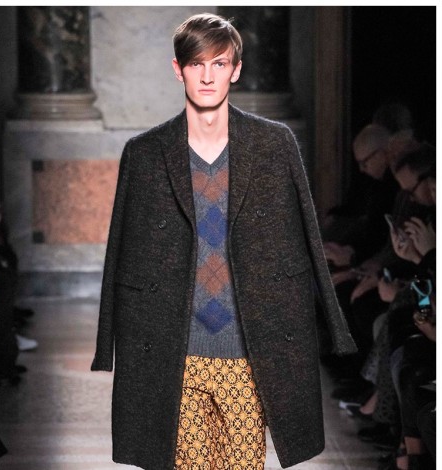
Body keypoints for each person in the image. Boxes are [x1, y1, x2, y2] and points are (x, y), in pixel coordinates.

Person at [91, 13, 356, 470]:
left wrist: (329, 327)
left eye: (219, 63)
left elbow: (305, 242)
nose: (208, 76)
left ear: (236, 69)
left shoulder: (273, 145)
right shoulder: (146, 153)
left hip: (250, 353)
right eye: (197, 64)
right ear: (178, 70)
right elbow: (122, 254)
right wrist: (109, 344)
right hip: (175, 353)